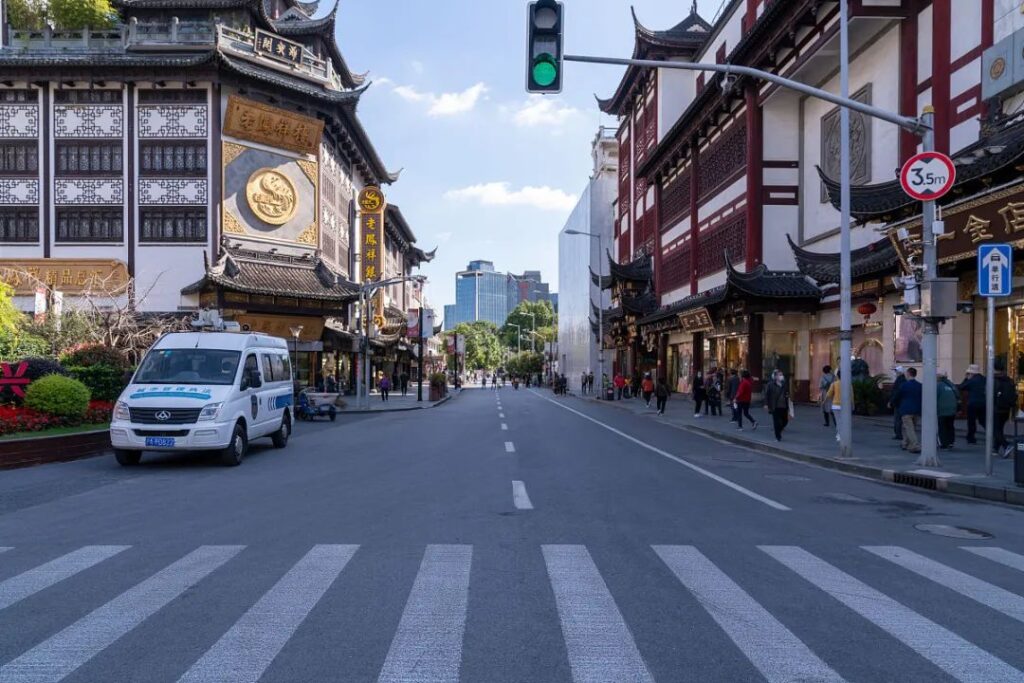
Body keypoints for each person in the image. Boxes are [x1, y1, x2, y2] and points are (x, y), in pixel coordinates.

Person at [891, 367, 922, 453]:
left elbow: (897, 395)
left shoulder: (904, 385)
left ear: (908, 374)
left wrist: (891, 402)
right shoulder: (920, 385)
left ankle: (915, 445)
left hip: (906, 409)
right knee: (910, 428)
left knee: (909, 428)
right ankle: (905, 443)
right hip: (917, 410)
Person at [959, 364, 986, 445]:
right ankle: (993, 434)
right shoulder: (984, 379)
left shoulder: (971, 381)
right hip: (983, 403)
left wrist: (966, 378)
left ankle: (971, 438)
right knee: (983, 421)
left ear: (971, 373)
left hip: (973, 403)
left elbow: (961, 387)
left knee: (971, 422)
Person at [994, 364, 1017, 458]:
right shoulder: (1010, 381)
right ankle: (995, 448)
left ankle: (1006, 445)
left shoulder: (995, 381)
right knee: (999, 428)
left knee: (995, 429)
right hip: (1007, 409)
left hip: (997, 408)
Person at [764, 370, 790, 442]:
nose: (781, 376)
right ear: (775, 377)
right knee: (776, 422)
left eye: (781, 375)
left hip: (784, 405)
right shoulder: (770, 384)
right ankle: (778, 436)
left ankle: (779, 430)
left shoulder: (784, 384)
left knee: (785, 420)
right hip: (775, 406)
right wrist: (766, 404)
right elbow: (767, 395)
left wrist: (789, 401)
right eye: (779, 375)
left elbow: (787, 393)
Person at [937, 371, 959, 449]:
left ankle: (943, 443)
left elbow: (935, 397)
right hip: (952, 409)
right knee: (950, 426)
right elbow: (958, 395)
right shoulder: (952, 385)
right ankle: (951, 442)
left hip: (942, 409)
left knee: (942, 426)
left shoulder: (938, 385)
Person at [825, 370, 843, 442]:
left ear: (837, 376)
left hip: (836, 405)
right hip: (845, 406)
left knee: (838, 421)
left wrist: (825, 401)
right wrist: (852, 404)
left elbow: (829, 394)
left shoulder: (834, 384)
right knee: (844, 421)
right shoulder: (848, 384)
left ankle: (839, 434)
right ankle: (844, 434)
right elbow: (851, 395)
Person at [888, 366, 906, 441]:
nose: (895, 373)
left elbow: (896, 392)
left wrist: (891, 401)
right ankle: (898, 434)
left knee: (898, 419)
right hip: (900, 402)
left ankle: (898, 434)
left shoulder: (899, 380)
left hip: (898, 403)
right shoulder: (902, 380)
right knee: (898, 419)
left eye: (896, 371)